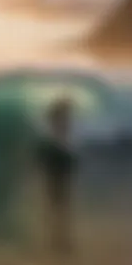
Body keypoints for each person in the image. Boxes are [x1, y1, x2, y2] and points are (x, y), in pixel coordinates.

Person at [35, 96, 78, 254]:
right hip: (55, 179)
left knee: (59, 211)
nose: (68, 122)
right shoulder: (54, 140)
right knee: (57, 210)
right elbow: (42, 161)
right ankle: (57, 243)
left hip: (59, 178)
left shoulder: (61, 139)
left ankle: (58, 242)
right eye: (65, 117)